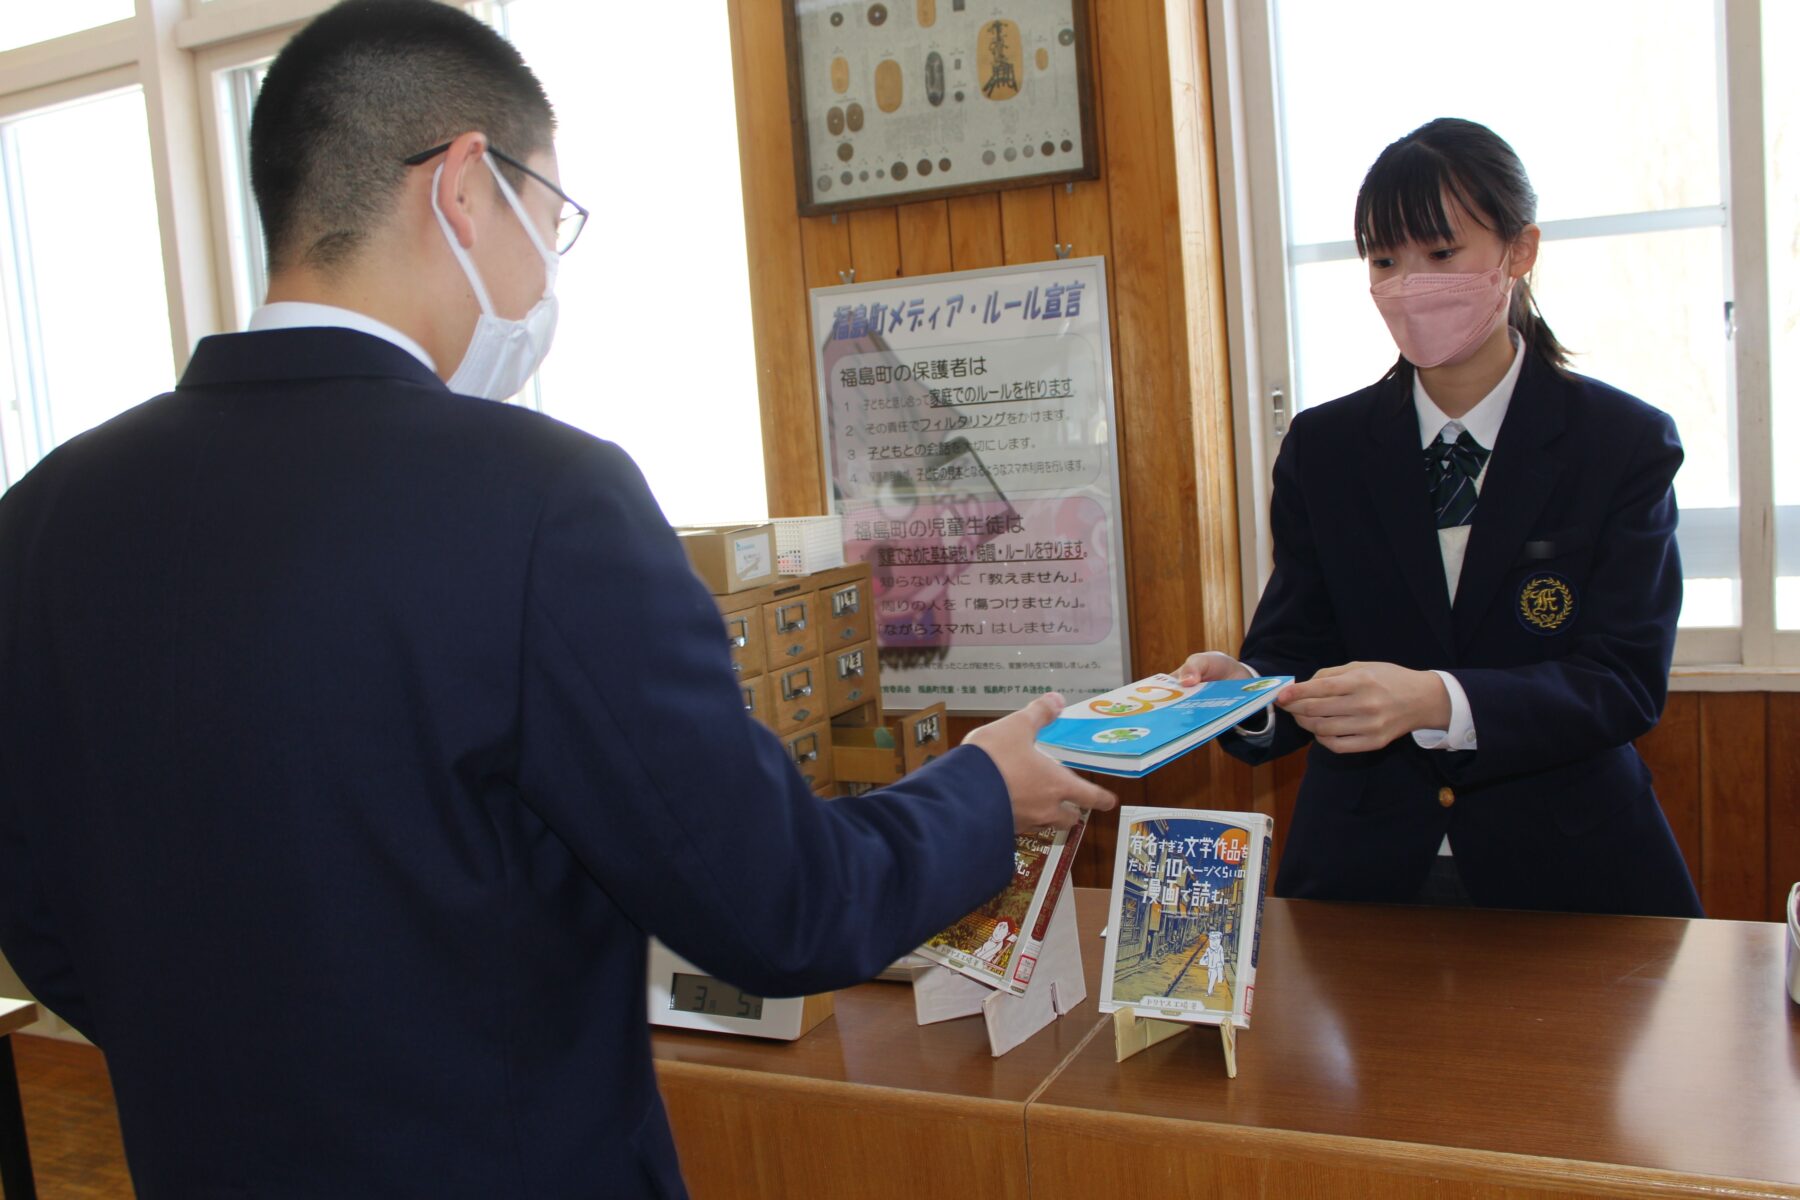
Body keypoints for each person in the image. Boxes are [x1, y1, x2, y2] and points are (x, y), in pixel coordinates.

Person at [0, 3, 1115, 1197]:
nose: (542, 276)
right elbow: (779, 908)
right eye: (550, 222)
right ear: (465, 188)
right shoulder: (540, 500)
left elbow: (36, 908)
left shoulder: (44, 514)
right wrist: (984, 789)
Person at [1176, 117, 1701, 919]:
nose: (1410, 283)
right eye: (1386, 260)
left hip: (1570, 870)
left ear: (1519, 252)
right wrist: (1241, 693)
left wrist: (1436, 700)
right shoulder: (1326, 447)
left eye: (1442, 254)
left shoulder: (1621, 443)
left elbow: (1622, 682)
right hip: (1362, 872)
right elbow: (1297, 649)